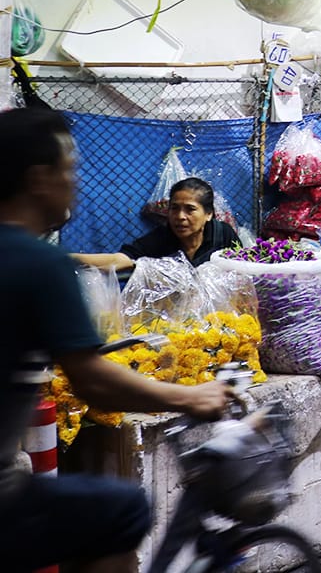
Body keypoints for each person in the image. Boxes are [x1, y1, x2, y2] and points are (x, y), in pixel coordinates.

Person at [1, 108, 231, 573]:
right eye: (71, 170)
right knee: (122, 509)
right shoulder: (38, 263)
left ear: (208, 215)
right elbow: (95, 381)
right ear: (39, 179)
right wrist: (190, 397)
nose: (76, 183)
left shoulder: (226, 238)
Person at [73, 177, 239, 272]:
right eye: (174, 208)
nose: (180, 217)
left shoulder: (223, 234)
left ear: (208, 214)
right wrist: (66, 259)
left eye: (190, 209)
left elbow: (242, 272)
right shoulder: (162, 238)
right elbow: (120, 259)